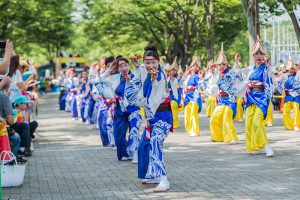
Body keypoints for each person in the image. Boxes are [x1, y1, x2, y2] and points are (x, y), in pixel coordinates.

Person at [127, 45, 172, 192]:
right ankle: (152, 175)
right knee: (144, 145)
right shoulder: (145, 73)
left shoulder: (160, 76)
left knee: (155, 142)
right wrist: (137, 66)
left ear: (158, 61)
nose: (150, 65)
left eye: (153, 62)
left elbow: (154, 98)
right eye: (147, 62)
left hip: (163, 117)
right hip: (151, 118)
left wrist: (154, 79)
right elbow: (141, 70)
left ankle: (164, 179)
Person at [244, 36, 274, 157]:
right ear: (253, 56)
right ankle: (255, 146)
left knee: (257, 121)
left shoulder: (266, 69)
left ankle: (266, 145)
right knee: (248, 123)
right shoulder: (251, 69)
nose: (258, 56)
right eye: (256, 54)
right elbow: (241, 79)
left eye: (260, 53)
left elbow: (270, 82)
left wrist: (267, 67)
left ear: (264, 56)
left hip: (261, 98)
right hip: (251, 98)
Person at [112, 57, 142, 162]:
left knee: (134, 129)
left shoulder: (135, 77)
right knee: (118, 133)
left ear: (129, 65)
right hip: (119, 109)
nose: (124, 68)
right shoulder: (115, 79)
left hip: (133, 108)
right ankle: (124, 153)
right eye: (121, 66)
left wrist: (137, 66)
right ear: (118, 68)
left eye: (125, 65)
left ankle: (135, 153)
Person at [209, 44, 240, 144]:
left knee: (227, 117)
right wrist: (212, 72)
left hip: (230, 101)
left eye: (223, 64)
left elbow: (238, 73)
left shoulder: (231, 73)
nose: (221, 66)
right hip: (221, 101)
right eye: (219, 64)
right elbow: (210, 85)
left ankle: (232, 138)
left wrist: (236, 61)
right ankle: (218, 137)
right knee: (214, 118)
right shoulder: (216, 75)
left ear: (226, 65)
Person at [94, 56, 117, 147]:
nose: (110, 67)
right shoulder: (101, 74)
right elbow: (97, 85)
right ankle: (106, 141)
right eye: (106, 65)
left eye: (112, 65)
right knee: (101, 120)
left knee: (110, 121)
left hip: (115, 102)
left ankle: (114, 142)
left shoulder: (118, 74)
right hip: (103, 101)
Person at [180, 57, 202, 136]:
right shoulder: (187, 77)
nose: (194, 68)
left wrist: (200, 78)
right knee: (187, 114)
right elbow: (181, 84)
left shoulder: (198, 76)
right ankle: (189, 130)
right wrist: (186, 73)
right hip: (187, 97)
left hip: (194, 96)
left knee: (193, 112)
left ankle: (195, 130)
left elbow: (200, 86)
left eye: (196, 66)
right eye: (193, 66)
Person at [279, 56, 300, 131]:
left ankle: (297, 125)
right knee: (285, 111)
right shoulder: (285, 76)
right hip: (288, 96)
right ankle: (289, 125)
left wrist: (295, 90)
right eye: (290, 69)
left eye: (293, 69)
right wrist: (283, 90)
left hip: (296, 96)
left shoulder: (298, 76)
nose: (291, 70)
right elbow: (279, 84)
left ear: (295, 69)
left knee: (296, 110)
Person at [165, 57, 181, 128]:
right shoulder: (167, 78)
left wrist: (170, 72)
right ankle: (171, 123)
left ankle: (176, 124)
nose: (171, 72)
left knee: (174, 111)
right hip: (169, 97)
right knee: (169, 112)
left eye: (173, 70)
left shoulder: (175, 79)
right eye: (171, 70)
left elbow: (172, 79)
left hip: (175, 97)